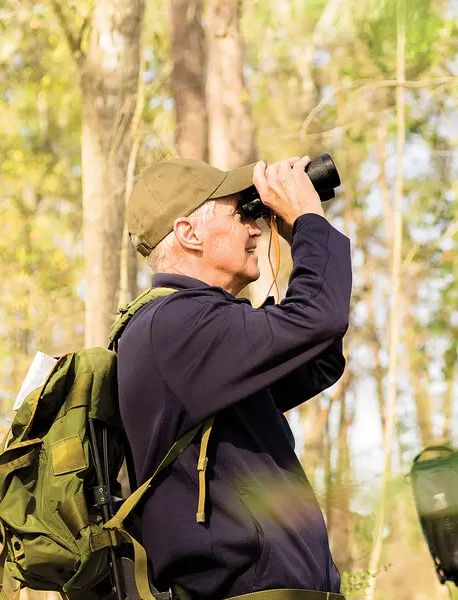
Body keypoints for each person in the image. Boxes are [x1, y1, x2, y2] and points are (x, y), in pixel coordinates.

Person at [117, 156, 351, 600]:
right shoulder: (174, 324)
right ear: (189, 233)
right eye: (242, 213)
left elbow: (316, 358)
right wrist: (308, 224)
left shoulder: (191, 327)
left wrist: (301, 234)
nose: (256, 228)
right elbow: (318, 319)